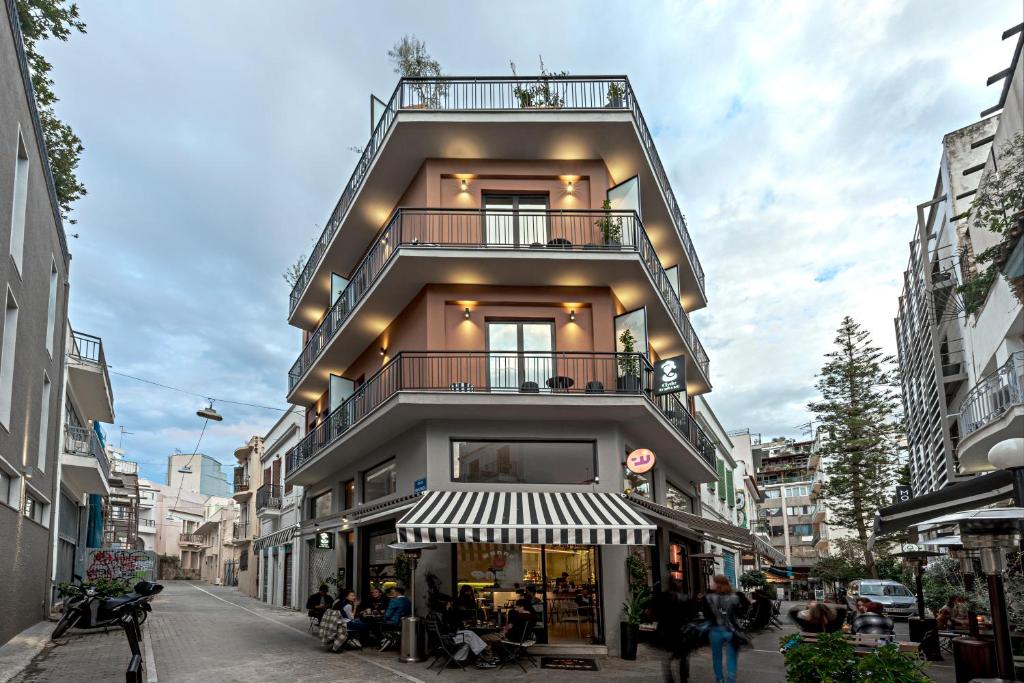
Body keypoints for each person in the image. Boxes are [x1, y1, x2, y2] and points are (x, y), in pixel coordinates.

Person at [702, 574, 744, 683]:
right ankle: (730, 680)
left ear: (717, 584)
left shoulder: (708, 598)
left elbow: (706, 615)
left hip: (715, 631)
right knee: (732, 657)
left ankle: (719, 679)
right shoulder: (735, 597)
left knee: (717, 657)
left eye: (713, 582)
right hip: (731, 631)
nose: (711, 584)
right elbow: (740, 613)